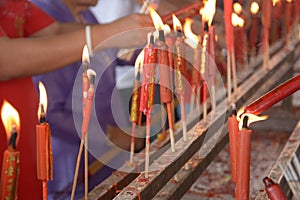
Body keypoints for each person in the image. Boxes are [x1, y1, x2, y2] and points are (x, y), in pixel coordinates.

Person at [0, 0, 153, 199]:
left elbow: (52, 31)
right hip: (60, 151)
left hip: (24, 129)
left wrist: (125, 34)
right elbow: (5, 60)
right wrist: (108, 33)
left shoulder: (78, 16)